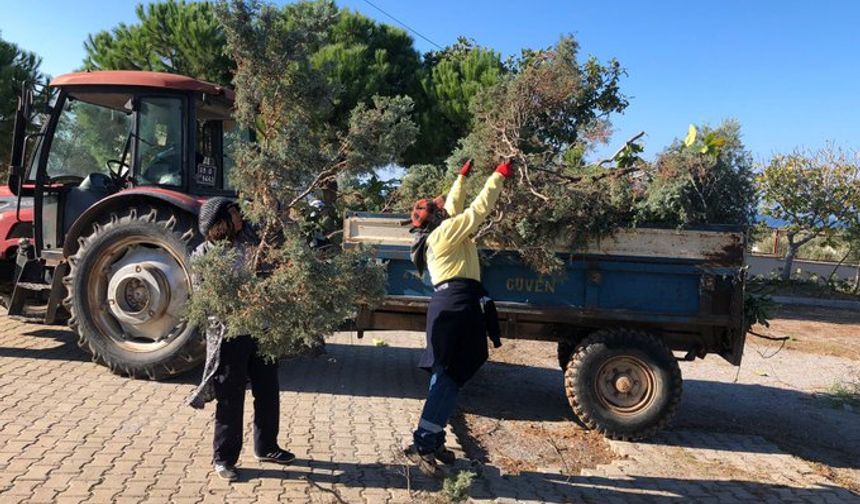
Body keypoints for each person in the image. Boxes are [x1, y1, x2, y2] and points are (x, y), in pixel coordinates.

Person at [404, 158, 512, 478]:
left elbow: (455, 205)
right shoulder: (446, 233)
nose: (443, 207)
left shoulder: (438, 231)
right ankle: (424, 442)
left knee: (447, 377)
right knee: (448, 378)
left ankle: (433, 438)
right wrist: (498, 176)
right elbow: (477, 210)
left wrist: (461, 179)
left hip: (456, 304)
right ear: (436, 218)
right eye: (438, 208)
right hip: (456, 307)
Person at [188, 197, 295, 481]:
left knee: (268, 391)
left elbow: (271, 265)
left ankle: (267, 446)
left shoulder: (248, 245)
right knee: (230, 399)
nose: (240, 217)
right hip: (230, 334)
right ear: (219, 221)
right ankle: (224, 458)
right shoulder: (202, 255)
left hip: (260, 329)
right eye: (234, 214)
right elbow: (204, 300)